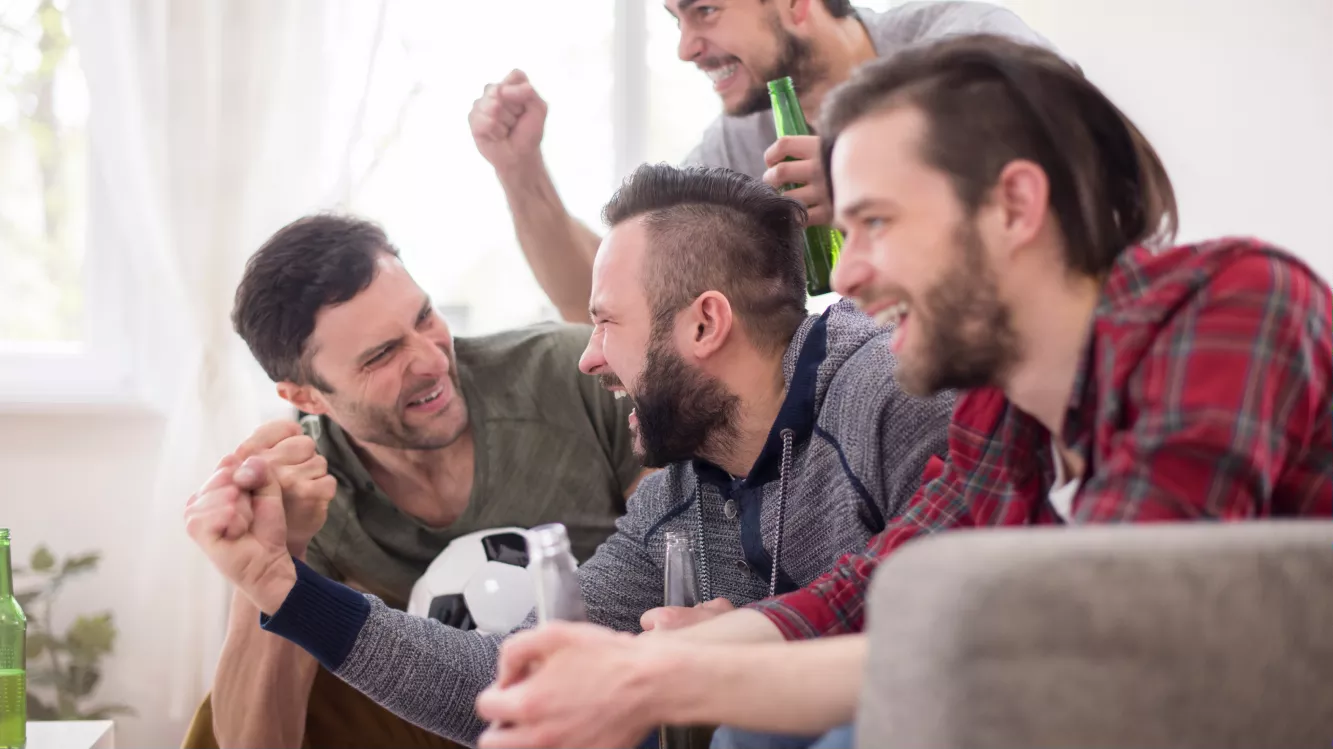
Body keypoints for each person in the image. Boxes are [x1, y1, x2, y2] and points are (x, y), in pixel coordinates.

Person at [470, 34, 1333, 749]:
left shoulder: (1236, 300)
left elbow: (1094, 630)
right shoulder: (1004, 408)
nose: (844, 273)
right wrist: (653, 661)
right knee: (753, 730)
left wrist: (654, 677)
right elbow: (869, 589)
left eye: (875, 223)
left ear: (1014, 206)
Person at [182, 164, 955, 746]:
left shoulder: (888, 389)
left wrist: (739, 646)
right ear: (305, 395)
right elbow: (514, 673)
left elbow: (970, 631)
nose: (586, 358)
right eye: (383, 352)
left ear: (703, 325)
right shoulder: (680, 502)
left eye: (604, 322)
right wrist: (280, 584)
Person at [181, 215, 650, 749]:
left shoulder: (577, 377)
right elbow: (254, 743)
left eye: (425, 316)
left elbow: (683, 563)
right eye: (381, 355)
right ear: (305, 397)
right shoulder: (307, 493)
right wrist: (271, 559)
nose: (431, 360)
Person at [469, 0, 1055, 322]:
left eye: (705, 10)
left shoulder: (966, 41)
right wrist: (521, 173)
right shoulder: (740, 141)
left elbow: (1076, 170)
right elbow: (602, 299)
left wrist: (871, 175)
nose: (685, 48)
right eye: (676, 19)